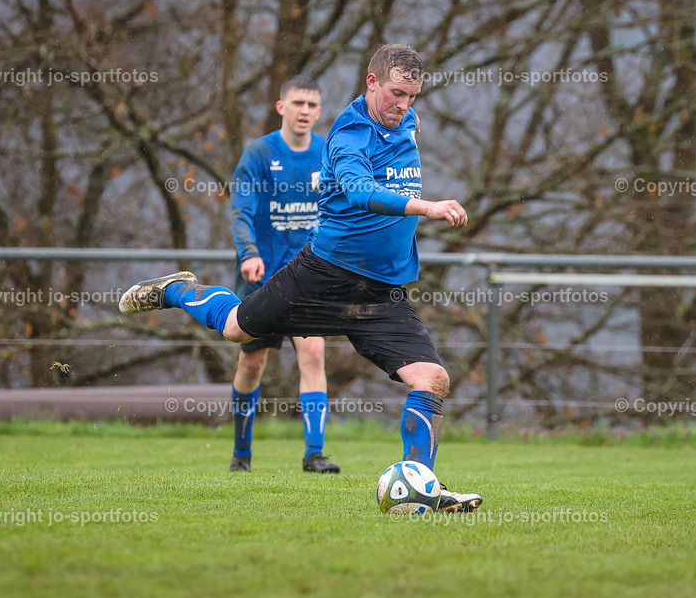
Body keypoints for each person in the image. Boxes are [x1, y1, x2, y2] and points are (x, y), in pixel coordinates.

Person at [120, 44, 481, 512]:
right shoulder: (349, 134)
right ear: (371, 83)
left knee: (432, 378)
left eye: (412, 96)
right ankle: (180, 291)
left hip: (380, 294)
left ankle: (423, 488)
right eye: (395, 93)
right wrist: (425, 206)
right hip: (321, 275)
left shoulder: (405, 121)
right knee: (233, 330)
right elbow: (358, 190)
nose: (404, 105)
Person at [228, 74, 339, 474]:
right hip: (263, 278)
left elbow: (340, 210)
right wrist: (249, 253)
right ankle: (241, 453)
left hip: (309, 277)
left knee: (313, 355)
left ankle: (315, 454)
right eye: (298, 104)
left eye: (312, 105)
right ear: (282, 107)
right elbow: (240, 210)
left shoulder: (328, 153)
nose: (304, 111)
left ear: (319, 111)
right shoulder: (258, 155)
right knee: (252, 363)